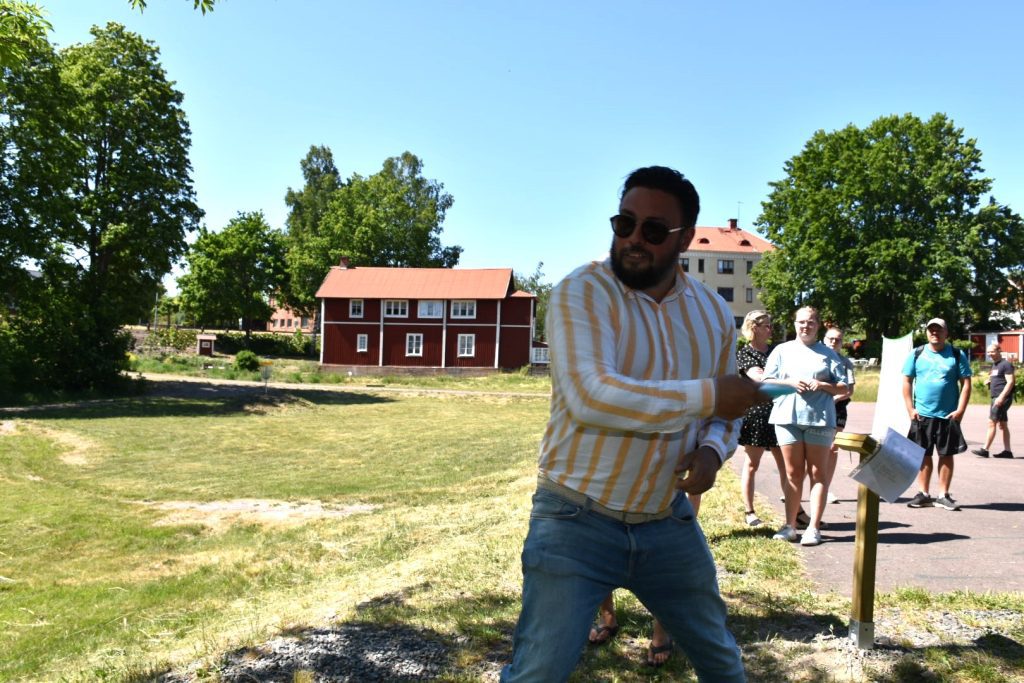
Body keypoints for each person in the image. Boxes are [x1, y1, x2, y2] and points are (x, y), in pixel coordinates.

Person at [500, 165, 762, 683]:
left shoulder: (712, 312)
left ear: (685, 238)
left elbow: (723, 415)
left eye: (653, 230)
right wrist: (711, 394)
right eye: (625, 223)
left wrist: (712, 452)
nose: (634, 239)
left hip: (666, 521)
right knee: (538, 673)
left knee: (723, 664)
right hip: (575, 518)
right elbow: (591, 397)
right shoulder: (582, 291)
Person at [763, 307, 848, 547]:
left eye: (810, 322)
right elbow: (766, 382)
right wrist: (788, 381)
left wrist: (821, 384)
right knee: (793, 473)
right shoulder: (781, 350)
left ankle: (813, 528)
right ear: (795, 324)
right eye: (801, 322)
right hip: (787, 417)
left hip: (819, 419)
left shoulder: (829, 353)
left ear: (818, 325)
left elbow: (843, 388)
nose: (805, 326)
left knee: (818, 473)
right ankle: (790, 526)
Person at [902, 318, 972, 510]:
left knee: (946, 454)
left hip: (948, 415)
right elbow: (906, 381)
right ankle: (923, 494)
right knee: (923, 454)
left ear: (946, 333)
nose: (935, 333)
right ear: (926, 333)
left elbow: (966, 383)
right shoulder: (916, 354)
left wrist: (960, 410)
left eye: (939, 330)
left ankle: (943, 495)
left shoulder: (957, 355)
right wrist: (910, 408)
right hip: (922, 414)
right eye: (931, 330)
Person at [736, 310, 786, 527]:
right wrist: (776, 377)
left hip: (779, 412)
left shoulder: (777, 351)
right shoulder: (744, 353)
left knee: (786, 466)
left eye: (770, 325)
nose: (770, 329)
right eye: (766, 325)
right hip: (756, 414)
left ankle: (797, 512)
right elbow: (760, 380)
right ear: (754, 328)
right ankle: (749, 511)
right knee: (751, 464)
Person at [823, 327, 856, 506]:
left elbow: (849, 390)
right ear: (824, 339)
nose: (834, 342)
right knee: (812, 449)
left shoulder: (845, 363)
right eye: (831, 339)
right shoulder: (815, 357)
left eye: (838, 340)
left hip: (837, 409)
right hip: (817, 409)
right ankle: (799, 486)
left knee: (832, 448)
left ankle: (826, 488)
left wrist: (834, 399)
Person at [972, 343, 1015, 459]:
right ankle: (1008, 451)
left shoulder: (1006, 365)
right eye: (989, 352)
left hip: (1001, 398)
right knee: (1003, 425)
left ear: (999, 350)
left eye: (992, 351)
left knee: (991, 422)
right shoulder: (995, 365)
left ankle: (985, 450)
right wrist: (989, 382)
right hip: (995, 397)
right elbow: (999, 379)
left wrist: (1001, 397)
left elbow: (1010, 382)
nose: (990, 354)